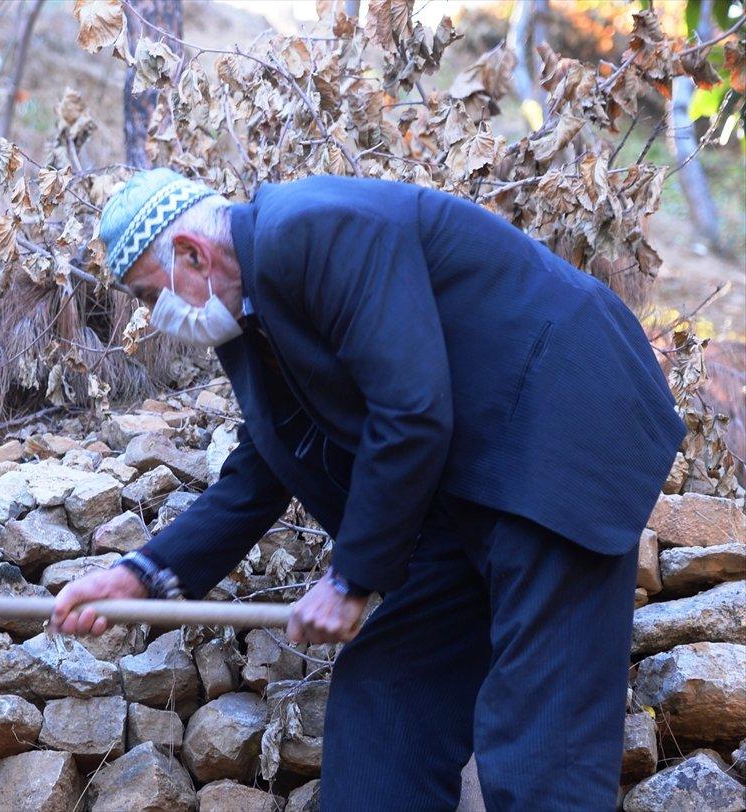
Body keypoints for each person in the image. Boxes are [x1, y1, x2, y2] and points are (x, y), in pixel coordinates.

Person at [49, 169, 686, 810]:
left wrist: (350, 579)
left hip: (561, 427)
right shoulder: (247, 320)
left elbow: (410, 410)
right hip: (468, 483)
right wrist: (140, 575)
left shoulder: (314, 227)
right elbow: (264, 466)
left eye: (148, 295)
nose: (153, 318)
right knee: (386, 701)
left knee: (542, 742)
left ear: (192, 254)